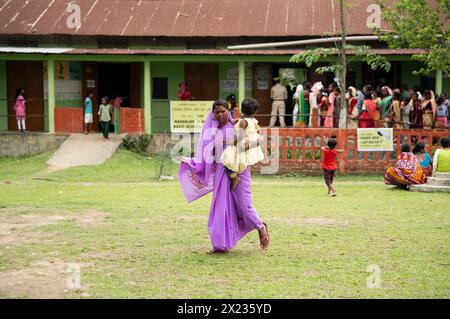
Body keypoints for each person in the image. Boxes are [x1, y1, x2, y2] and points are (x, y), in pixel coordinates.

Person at [178, 100, 270, 252]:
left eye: (223, 111)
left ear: (228, 111)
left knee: (244, 206)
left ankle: (260, 227)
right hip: (222, 173)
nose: (220, 114)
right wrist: (191, 161)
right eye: (217, 112)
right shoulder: (211, 131)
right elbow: (206, 154)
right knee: (220, 207)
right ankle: (220, 245)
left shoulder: (236, 125)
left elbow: (257, 139)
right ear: (212, 113)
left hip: (240, 170)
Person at [220, 98, 265, 190]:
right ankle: (235, 175)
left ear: (242, 110)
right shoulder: (254, 121)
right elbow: (255, 131)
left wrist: (230, 142)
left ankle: (234, 177)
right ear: (256, 111)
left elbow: (240, 136)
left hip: (242, 144)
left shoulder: (243, 122)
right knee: (236, 162)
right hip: (251, 143)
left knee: (225, 161)